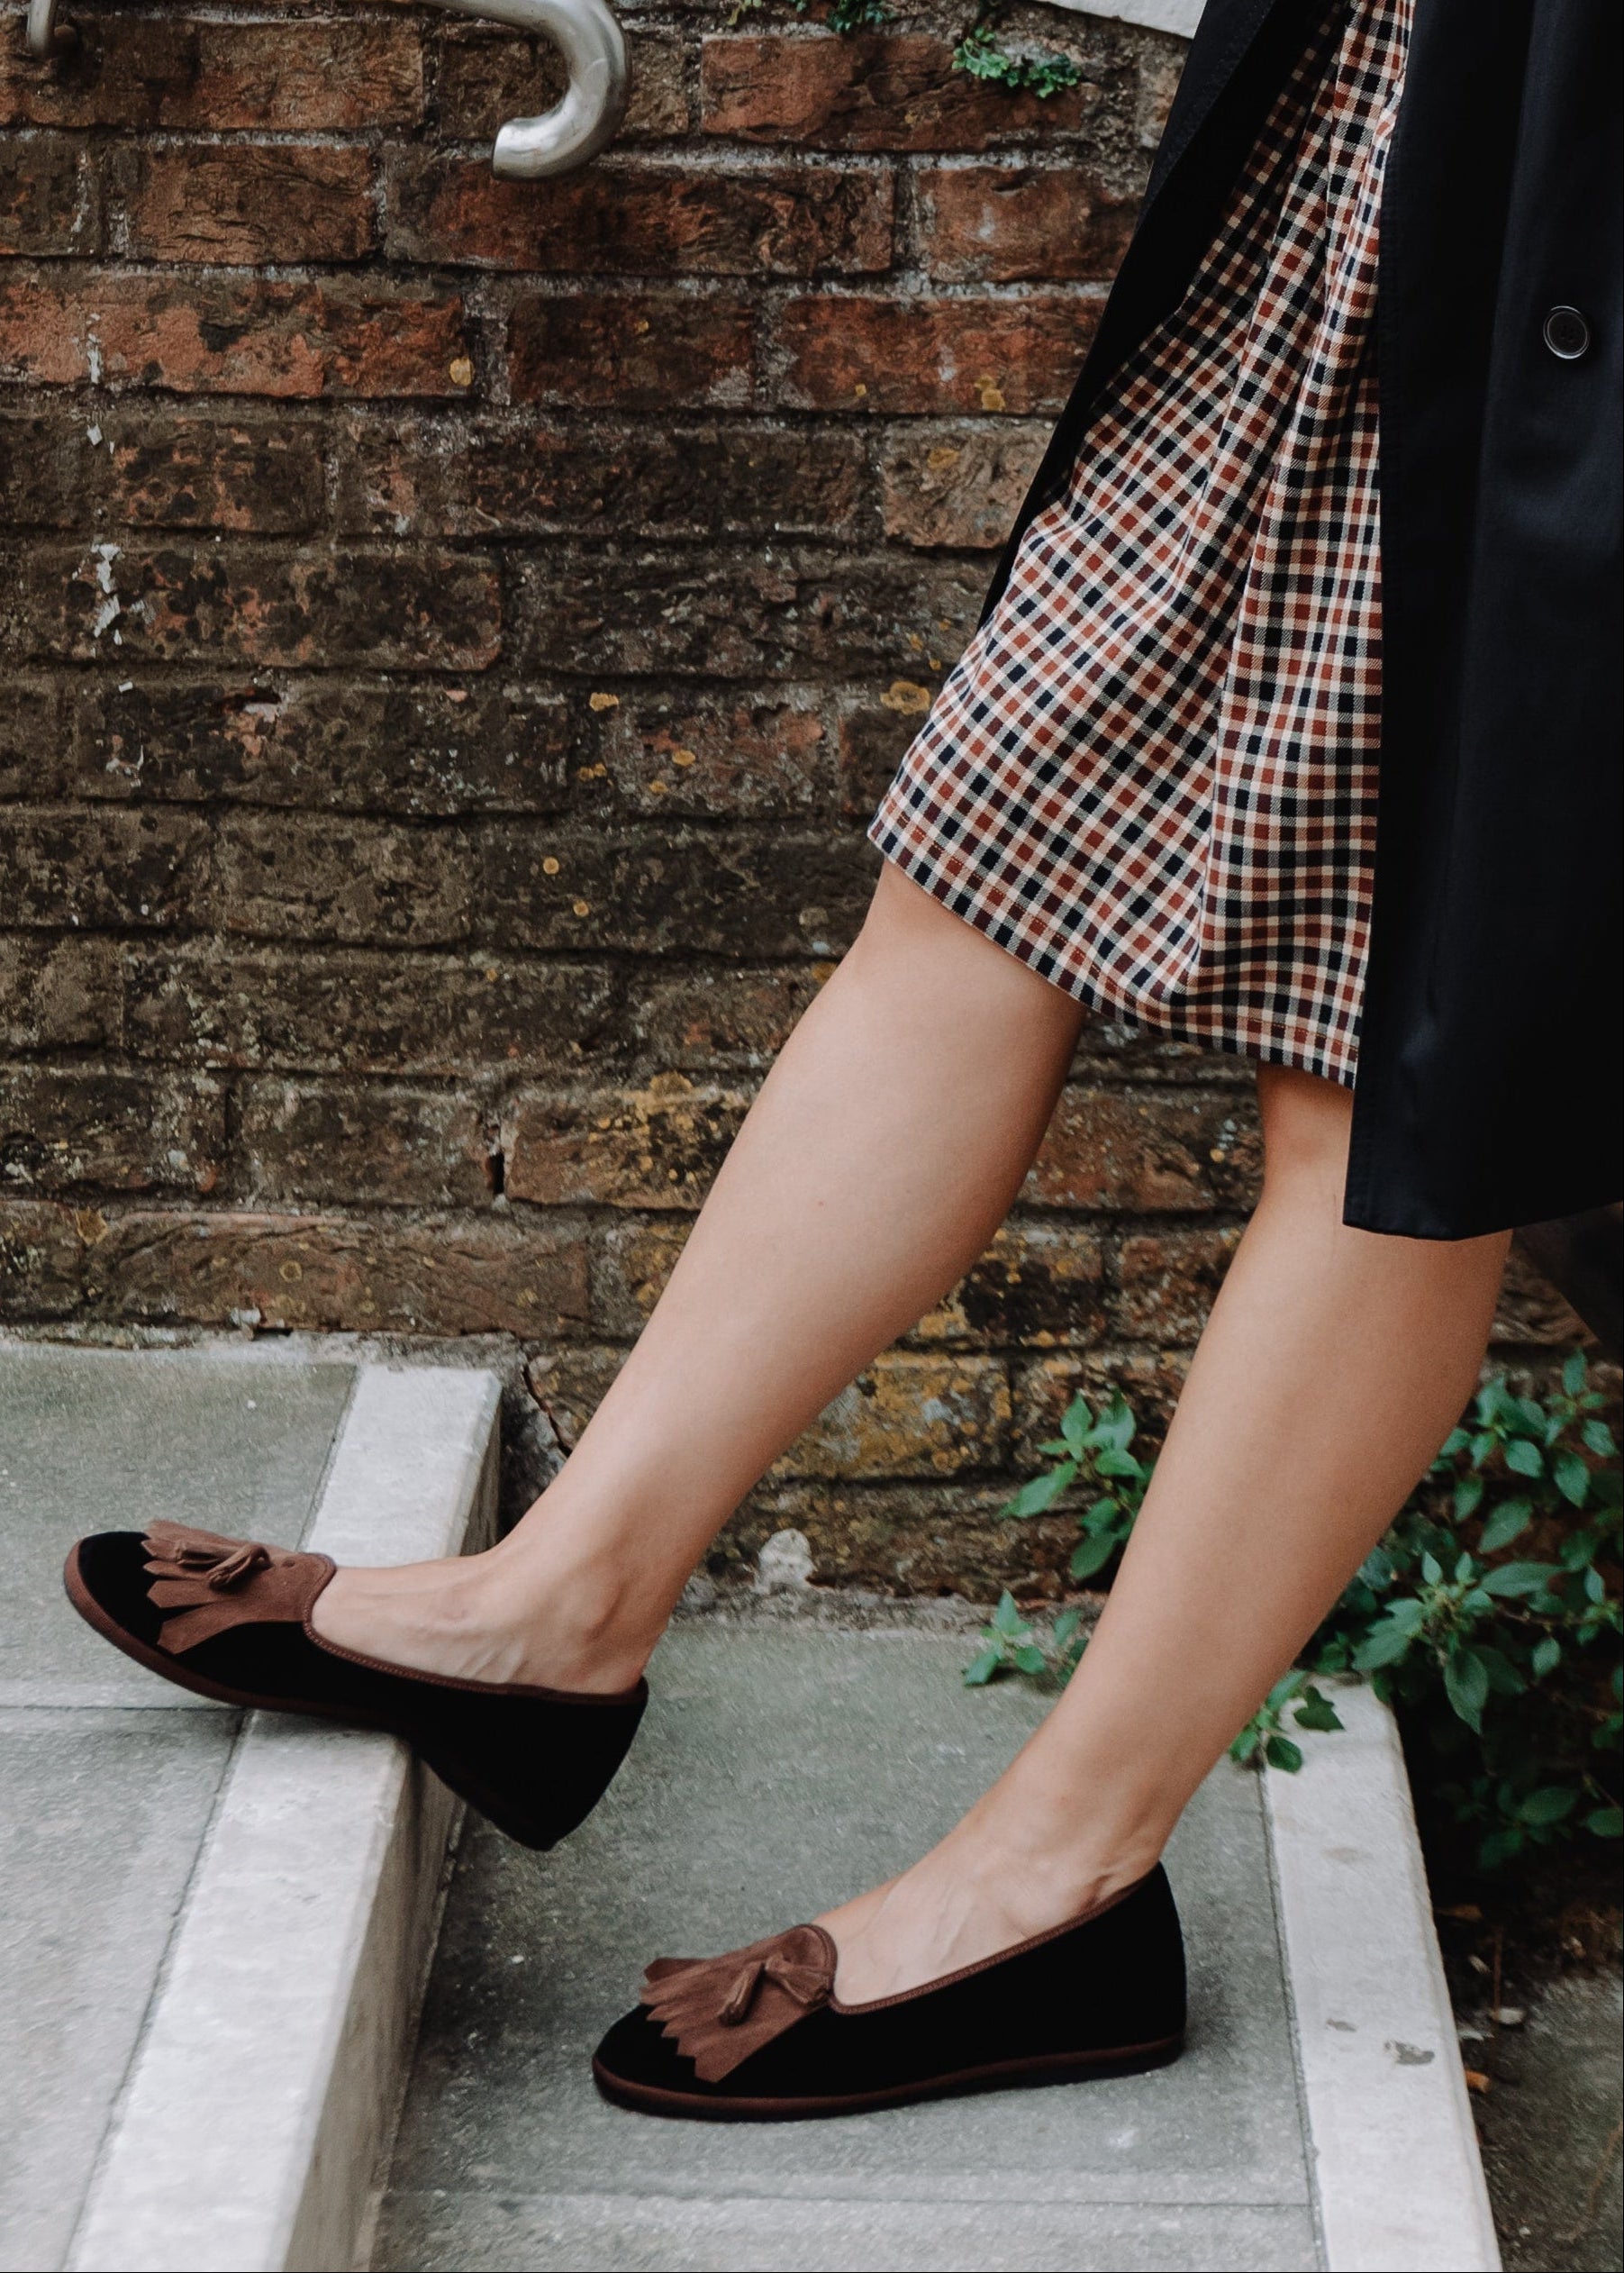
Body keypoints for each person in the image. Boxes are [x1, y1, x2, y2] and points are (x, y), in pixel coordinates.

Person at [65, 0, 1619, 2121]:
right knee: (983, 849)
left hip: (1568, 195)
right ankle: (562, 1597)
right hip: (1375, 111)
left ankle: (1060, 1872)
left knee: (1399, 1059)